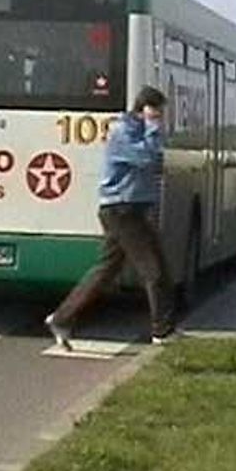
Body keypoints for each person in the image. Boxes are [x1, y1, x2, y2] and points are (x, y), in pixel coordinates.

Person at [44, 85, 177, 348]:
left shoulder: (137, 131)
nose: (161, 120)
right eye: (158, 114)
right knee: (154, 270)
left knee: (106, 270)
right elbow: (148, 158)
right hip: (122, 210)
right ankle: (162, 332)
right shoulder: (123, 132)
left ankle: (61, 318)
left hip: (131, 209)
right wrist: (152, 127)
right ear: (145, 110)